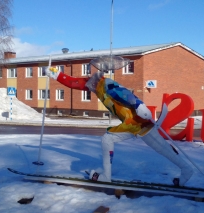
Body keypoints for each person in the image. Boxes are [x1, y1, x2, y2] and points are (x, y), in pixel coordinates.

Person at [47, 60, 193, 186]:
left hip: (134, 120)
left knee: (107, 138)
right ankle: (186, 169)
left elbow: (123, 93)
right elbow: (73, 83)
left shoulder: (106, 84)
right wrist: (55, 73)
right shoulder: (96, 86)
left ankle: (106, 177)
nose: (86, 87)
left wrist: (138, 105)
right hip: (139, 122)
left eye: (88, 84)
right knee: (162, 148)